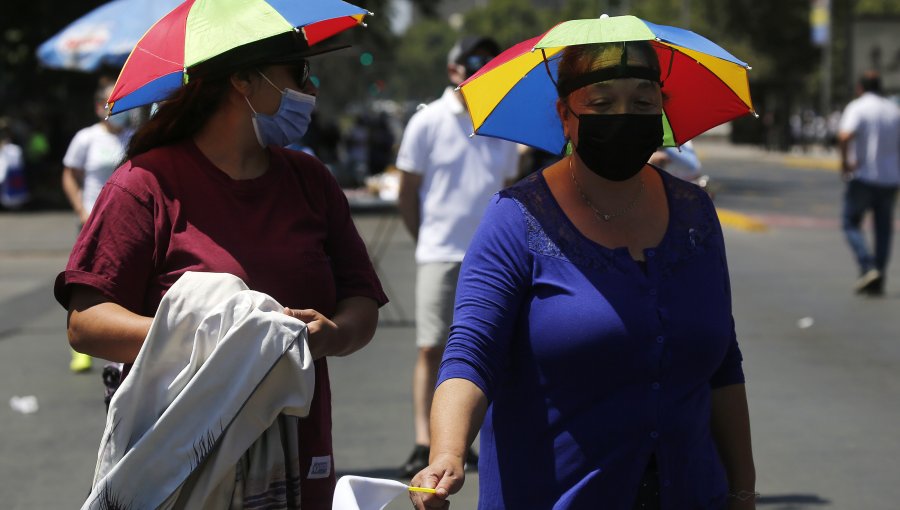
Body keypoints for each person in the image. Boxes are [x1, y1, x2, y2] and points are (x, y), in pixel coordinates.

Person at [410, 40, 755, 510]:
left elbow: (723, 365)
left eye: (642, 101)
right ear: (565, 114)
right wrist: (447, 452)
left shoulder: (695, 214)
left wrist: (741, 491)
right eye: (602, 102)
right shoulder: (515, 218)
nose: (625, 115)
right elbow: (471, 354)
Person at [53, 30, 387, 509]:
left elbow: (361, 300)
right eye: (299, 74)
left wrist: (331, 336)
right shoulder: (142, 185)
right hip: (180, 464)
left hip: (298, 455)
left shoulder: (311, 181)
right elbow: (85, 323)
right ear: (244, 81)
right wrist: (220, 339)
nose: (311, 91)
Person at [394, 35, 520, 479]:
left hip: (496, 259)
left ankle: (471, 442)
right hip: (439, 252)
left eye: (489, 61)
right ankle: (426, 442)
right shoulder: (427, 121)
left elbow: (508, 186)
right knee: (431, 347)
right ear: (454, 70)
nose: (480, 68)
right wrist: (423, 236)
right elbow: (407, 190)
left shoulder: (503, 123)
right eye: (472, 62)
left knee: (491, 350)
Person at [60, 81, 136, 373]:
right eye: (112, 103)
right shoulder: (86, 138)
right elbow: (69, 174)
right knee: (85, 287)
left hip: (125, 224)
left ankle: (118, 345)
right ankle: (81, 348)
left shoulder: (135, 136)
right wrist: (80, 209)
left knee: (122, 287)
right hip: (91, 221)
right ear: (98, 107)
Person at [837, 70, 900, 296]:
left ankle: (868, 266)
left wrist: (845, 163)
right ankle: (878, 276)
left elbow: (844, 136)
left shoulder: (858, 107)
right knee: (883, 230)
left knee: (850, 222)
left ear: (860, 88)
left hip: (863, 176)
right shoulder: (894, 109)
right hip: (890, 179)